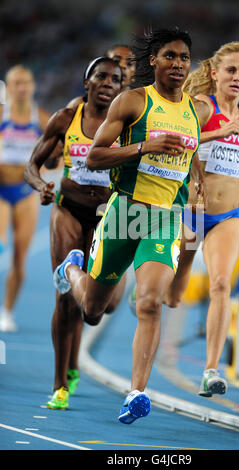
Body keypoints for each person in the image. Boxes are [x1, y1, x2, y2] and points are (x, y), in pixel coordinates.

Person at [51, 27, 210, 424]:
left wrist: (196, 176)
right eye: (170, 56)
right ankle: (71, 269)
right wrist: (143, 147)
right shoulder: (132, 102)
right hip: (123, 214)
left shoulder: (198, 110)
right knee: (91, 311)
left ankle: (136, 392)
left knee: (150, 301)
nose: (178, 64)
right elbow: (94, 157)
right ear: (153, 61)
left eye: (184, 58)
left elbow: (189, 150)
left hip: (163, 220)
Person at [24, 57, 124, 410]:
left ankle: (106, 280)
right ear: (87, 82)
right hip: (69, 208)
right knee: (66, 301)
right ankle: (59, 384)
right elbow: (33, 164)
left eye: (115, 78)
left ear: (121, 87)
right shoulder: (66, 119)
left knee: (101, 309)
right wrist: (41, 186)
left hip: (108, 216)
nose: (108, 82)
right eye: (101, 76)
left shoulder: (127, 124)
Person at [165, 41, 239, 397]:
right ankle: (149, 293)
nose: (238, 77)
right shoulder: (202, 108)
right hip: (193, 210)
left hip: (228, 214)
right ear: (215, 73)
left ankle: (210, 370)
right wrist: (218, 133)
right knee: (174, 294)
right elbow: (178, 140)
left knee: (221, 284)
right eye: (232, 70)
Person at [0, 65, 50, 332]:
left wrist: (47, 169)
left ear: (32, 86)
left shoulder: (40, 118)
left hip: (24, 192)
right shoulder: (1, 114)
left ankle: (7, 311)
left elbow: (58, 151)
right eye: (16, 83)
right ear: (8, 87)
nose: (21, 88)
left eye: (26, 82)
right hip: (0, 189)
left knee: (20, 257)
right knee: (0, 243)